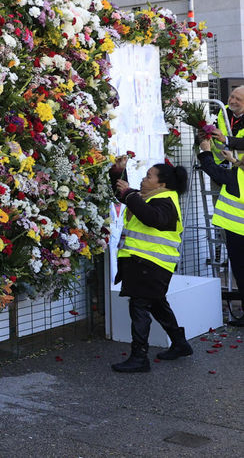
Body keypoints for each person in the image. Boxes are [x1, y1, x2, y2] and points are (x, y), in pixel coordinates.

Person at [110, 158, 193, 373]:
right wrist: (119, 172)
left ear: (161, 184)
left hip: (151, 264)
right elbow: (125, 194)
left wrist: (129, 194)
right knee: (156, 303)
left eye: (149, 176)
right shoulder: (151, 197)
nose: (144, 179)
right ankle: (180, 344)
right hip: (148, 265)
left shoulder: (165, 202)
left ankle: (139, 357)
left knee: (139, 306)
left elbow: (151, 218)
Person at [197, 135, 244, 327]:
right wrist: (232, 160)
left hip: (238, 232)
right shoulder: (238, 172)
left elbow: (215, 172)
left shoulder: (237, 177)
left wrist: (206, 151)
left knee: (241, 274)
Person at [211, 85, 244, 164]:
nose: (232, 101)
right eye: (231, 96)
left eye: (238, 99)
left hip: (240, 167)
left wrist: (226, 139)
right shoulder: (220, 111)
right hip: (219, 164)